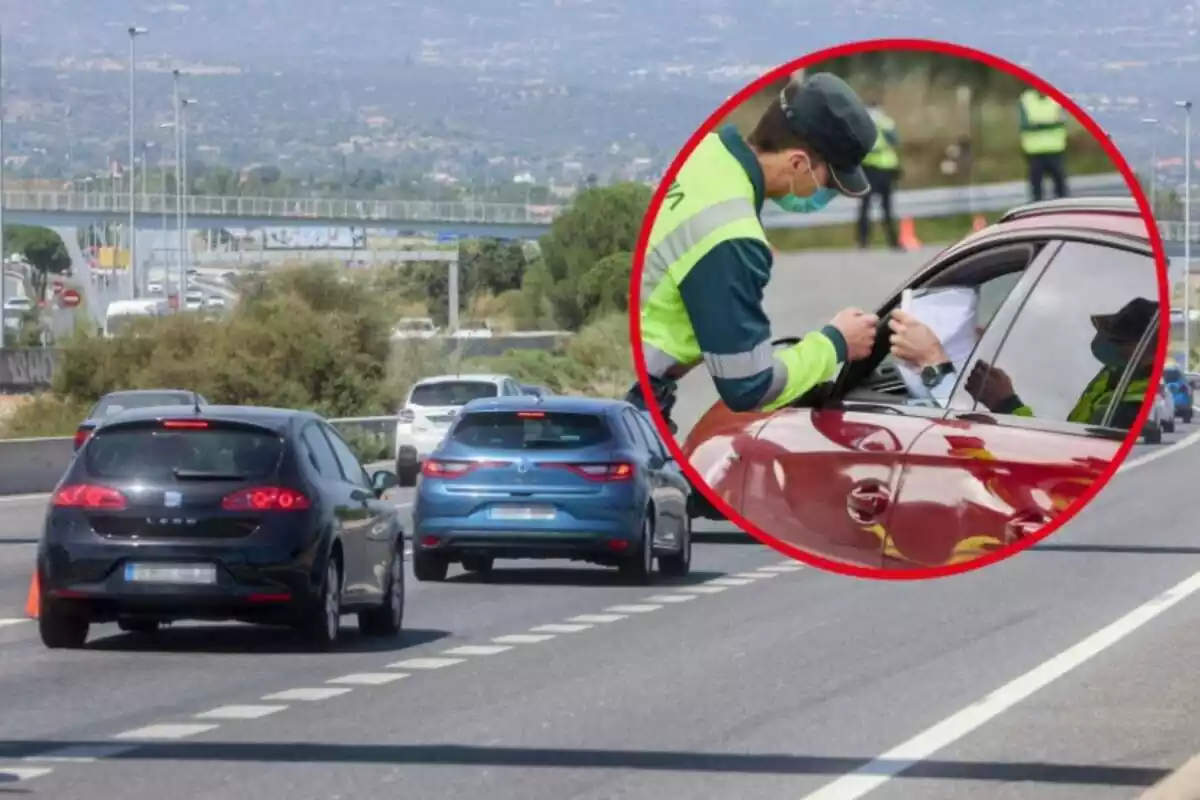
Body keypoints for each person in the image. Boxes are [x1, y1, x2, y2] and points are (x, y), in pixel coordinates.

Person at [630, 72, 881, 429]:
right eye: (830, 182)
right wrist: (835, 344)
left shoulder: (705, 151)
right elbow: (748, 386)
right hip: (643, 390)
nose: (827, 194)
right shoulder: (731, 236)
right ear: (797, 164)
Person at [966, 297, 1157, 428]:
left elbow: (1070, 455)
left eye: (1118, 339)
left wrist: (1006, 405)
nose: (1105, 342)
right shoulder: (1119, 372)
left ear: (1145, 348)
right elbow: (1055, 367)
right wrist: (997, 340)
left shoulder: (1132, 406)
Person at [856, 93, 902, 251]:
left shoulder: (860, 123)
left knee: (865, 207)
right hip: (886, 168)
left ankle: (863, 242)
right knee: (887, 208)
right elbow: (895, 140)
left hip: (868, 169)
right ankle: (893, 241)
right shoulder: (885, 122)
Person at [1018, 87, 1069, 202]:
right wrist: (1050, 124)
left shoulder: (1058, 97)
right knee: (1036, 190)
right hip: (1034, 151)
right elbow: (1024, 124)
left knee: (1061, 188)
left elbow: (1062, 119)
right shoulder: (1026, 99)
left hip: (1055, 149)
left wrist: (1038, 125)